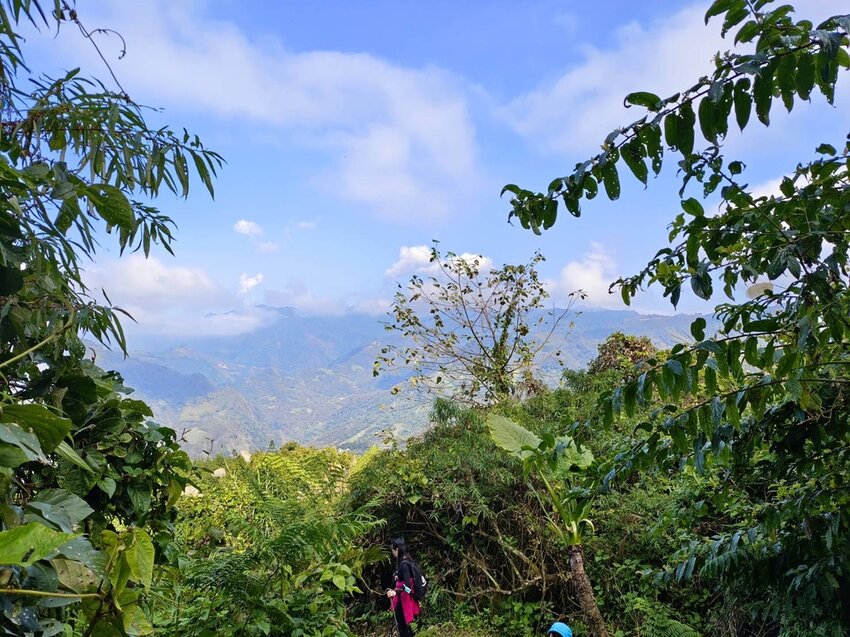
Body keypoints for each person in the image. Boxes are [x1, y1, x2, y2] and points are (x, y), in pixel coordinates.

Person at [385, 537, 420, 637]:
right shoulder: (406, 558)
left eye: (393, 550)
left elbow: (408, 587)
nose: (393, 553)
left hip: (405, 599)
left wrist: (395, 592)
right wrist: (397, 576)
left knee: (403, 625)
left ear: (397, 549)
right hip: (404, 597)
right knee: (405, 625)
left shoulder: (404, 564)